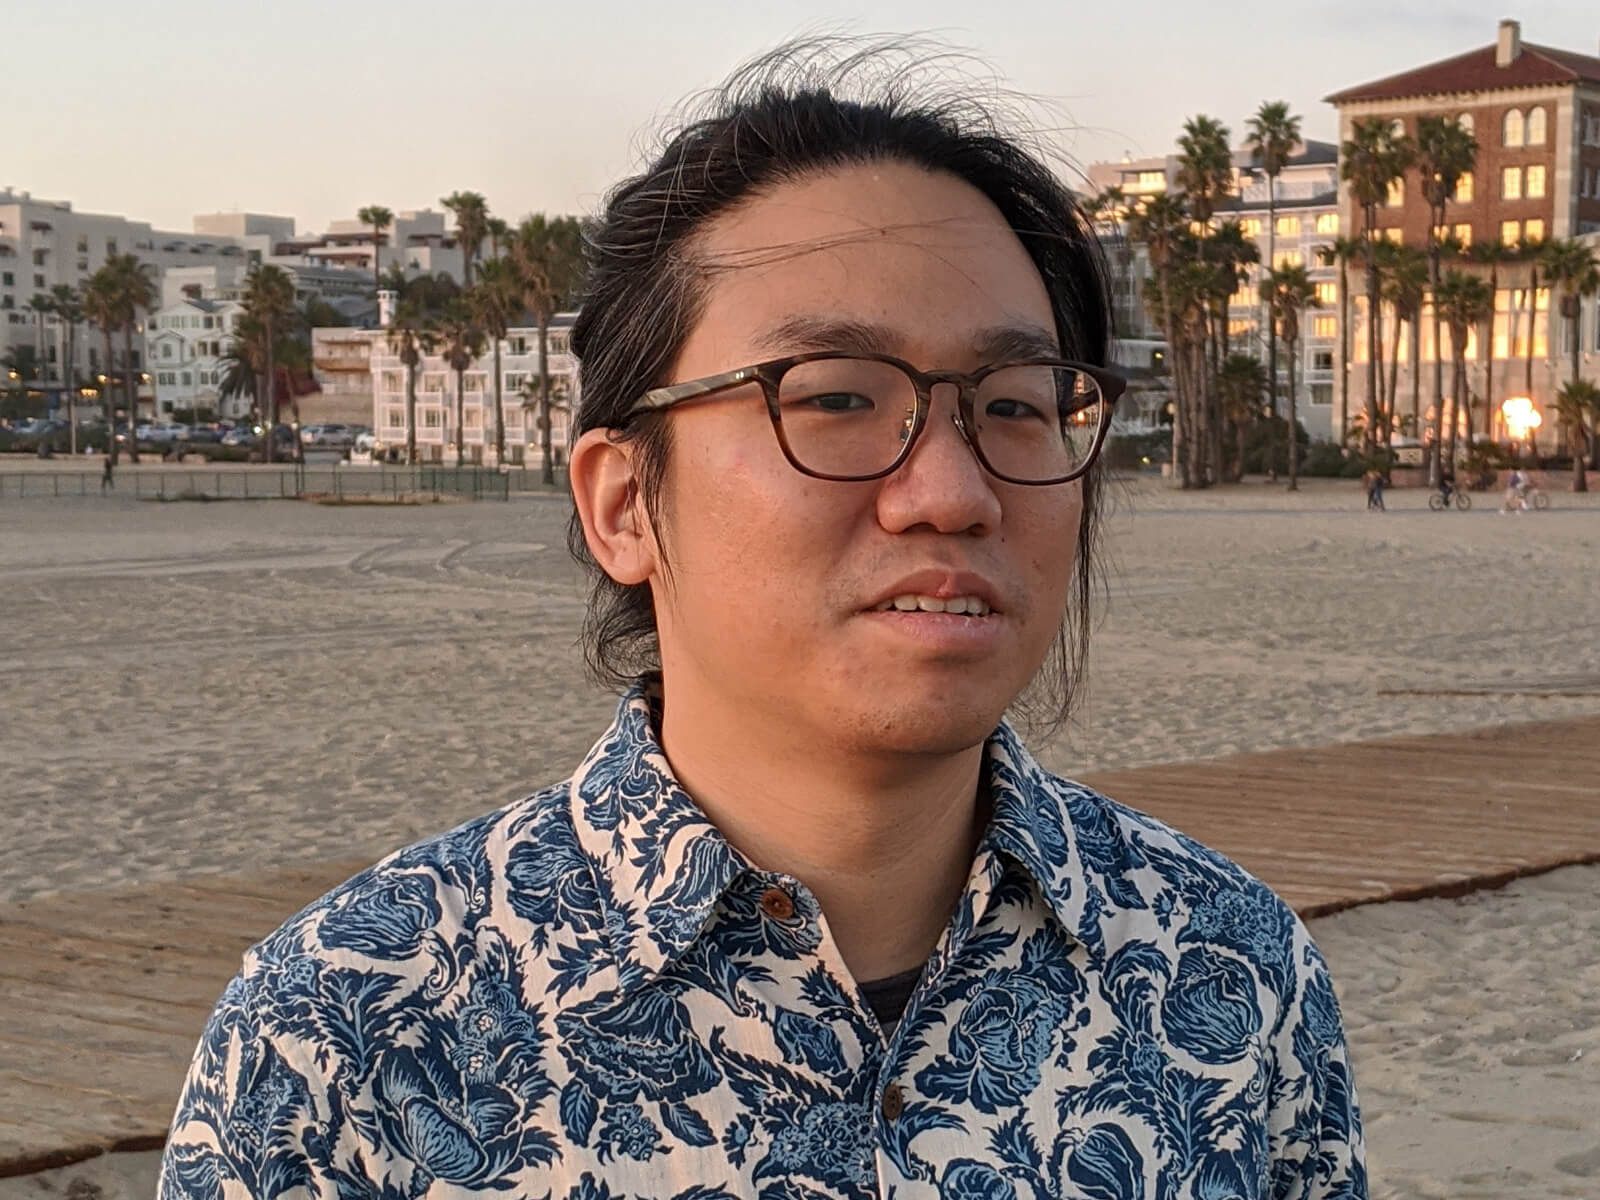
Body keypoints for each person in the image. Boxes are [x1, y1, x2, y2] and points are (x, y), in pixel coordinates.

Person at [161, 42, 1365, 1199]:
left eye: (1014, 405)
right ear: (626, 504)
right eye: (835, 397)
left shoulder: (1224, 969)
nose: (951, 492)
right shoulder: (346, 1031)